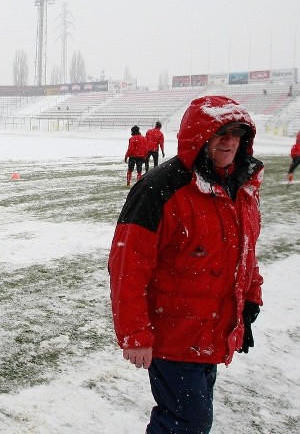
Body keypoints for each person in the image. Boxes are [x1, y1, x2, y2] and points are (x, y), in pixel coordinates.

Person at [109, 95, 264, 434]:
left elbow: (245, 253)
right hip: (174, 336)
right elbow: (127, 267)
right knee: (187, 423)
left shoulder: (239, 186)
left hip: (214, 330)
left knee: (192, 419)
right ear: (200, 134)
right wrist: (135, 333)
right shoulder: (160, 189)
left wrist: (249, 303)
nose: (230, 141)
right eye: (221, 133)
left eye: (237, 133)